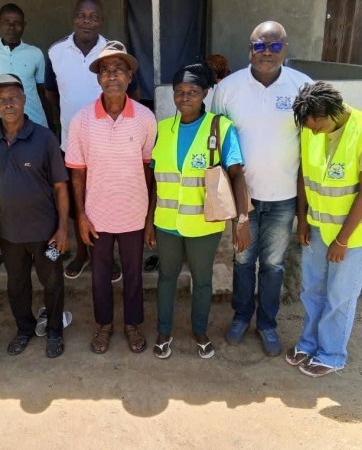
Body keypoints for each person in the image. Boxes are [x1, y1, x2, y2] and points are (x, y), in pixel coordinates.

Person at [211, 21, 312, 356]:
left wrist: (303, 211)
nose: (266, 52)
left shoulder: (303, 87)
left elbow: (311, 147)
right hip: (245, 198)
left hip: (284, 197)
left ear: (286, 49)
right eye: (259, 46)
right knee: (242, 261)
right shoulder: (228, 88)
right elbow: (217, 141)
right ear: (249, 49)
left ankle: (267, 323)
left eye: (274, 45)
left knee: (273, 264)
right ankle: (241, 316)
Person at [146, 63, 250, 359]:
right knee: (166, 277)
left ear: (205, 93)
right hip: (167, 222)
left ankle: (200, 331)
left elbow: (237, 174)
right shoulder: (163, 129)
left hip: (204, 224)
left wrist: (242, 219)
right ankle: (164, 332)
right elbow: (155, 180)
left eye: (192, 91)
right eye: (179, 92)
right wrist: (148, 222)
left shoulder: (220, 127)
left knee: (202, 280)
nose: (184, 97)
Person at [288, 81, 362, 377]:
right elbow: (304, 175)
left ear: (332, 112)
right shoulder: (311, 128)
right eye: (308, 128)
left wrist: (342, 240)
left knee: (339, 296)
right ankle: (309, 343)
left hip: (354, 235)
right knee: (313, 290)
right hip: (318, 227)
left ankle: (332, 354)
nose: (313, 133)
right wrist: (303, 219)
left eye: (317, 127)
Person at [65, 41, 157, 354]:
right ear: (99, 78)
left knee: (133, 274)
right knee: (99, 276)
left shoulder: (145, 118)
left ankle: (133, 325)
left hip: (133, 213)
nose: (112, 75)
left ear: (130, 77)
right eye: (106, 70)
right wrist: (81, 216)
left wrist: (148, 218)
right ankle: (104, 325)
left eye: (119, 69)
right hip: (97, 215)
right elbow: (77, 172)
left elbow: (148, 170)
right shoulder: (81, 120)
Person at [46, 0, 138, 281]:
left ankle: (106, 256)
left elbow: (129, 92)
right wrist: (63, 126)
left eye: (93, 16)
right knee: (78, 203)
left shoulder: (113, 51)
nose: (87, 20)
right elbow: (50, 93)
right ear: (74, 18)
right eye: (81, 15)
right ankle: (83, 254)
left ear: (101, 21)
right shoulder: (56, 51)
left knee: (106, 198)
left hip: (108, 143)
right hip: (71, 142)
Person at [0, 74, 69, 359]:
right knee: (17, 285)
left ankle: (54, 331)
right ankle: (25, 329)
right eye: (1, 99)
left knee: (52, 283)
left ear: (24, 99)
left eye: (13, 97)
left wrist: (62, 228)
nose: (8, 103)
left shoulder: (44, 137)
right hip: (9, 232)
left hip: (45, 231)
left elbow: (60, 186)